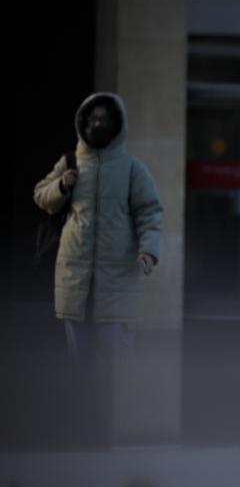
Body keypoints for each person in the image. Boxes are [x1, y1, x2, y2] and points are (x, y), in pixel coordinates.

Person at [33, 92, 163, 364]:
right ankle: (82, 404)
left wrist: (149, 251)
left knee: (115, 362)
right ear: (82, 121)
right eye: (92, 118)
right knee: (78, 362)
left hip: (115, 277)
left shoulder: (132, 169)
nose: (97, 124)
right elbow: (41, 196)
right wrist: (61, 186)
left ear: (117, 123)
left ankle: (112, 406)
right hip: (74, 277)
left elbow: (149, 212)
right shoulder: (69, 163)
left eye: (103, 119)